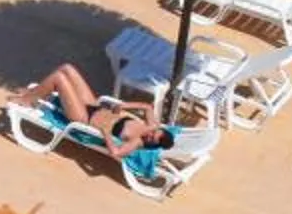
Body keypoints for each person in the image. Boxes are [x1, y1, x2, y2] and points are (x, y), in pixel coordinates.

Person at [17, 65, 175, 156]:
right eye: (154, 132)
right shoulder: (151, 125)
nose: (149, 134)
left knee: (59, 78)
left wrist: (105, 133)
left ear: (152, 144)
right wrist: (125, 106)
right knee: (67, 68)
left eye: (151, 139)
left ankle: (28, 100)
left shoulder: (136, 142)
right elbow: (148, 107)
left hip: (83, 118)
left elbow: (115, 152)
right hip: (94, 106)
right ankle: (34, 93)